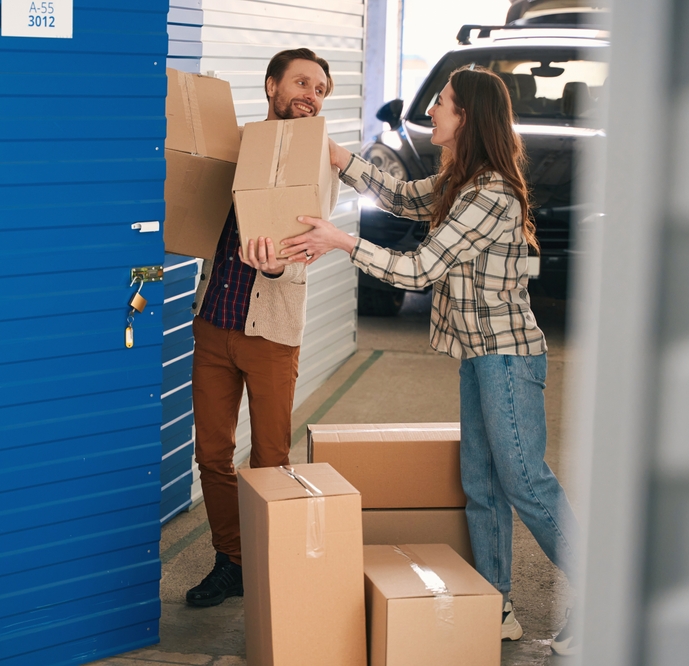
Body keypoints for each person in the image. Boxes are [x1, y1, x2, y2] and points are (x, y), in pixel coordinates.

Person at [280, 66, 580, 656]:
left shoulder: (488, 193)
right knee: (482, 487)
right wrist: (331, 152)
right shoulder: (457, 180)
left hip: (508, 357)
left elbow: (419, 271)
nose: (433, 112)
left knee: (525, 483)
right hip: (477, 355)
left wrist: (340, 241)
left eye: (441, 103)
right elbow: (394, 195)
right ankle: (496, 608)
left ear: (466, 116)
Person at [185, 48, 341, 607]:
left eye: (321, 89)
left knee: (271, 459)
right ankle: (232, 561)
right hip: (213, 323)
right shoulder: (233, 150)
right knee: (212, 455)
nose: (311, 94)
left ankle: (272, 566)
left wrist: (276, 262)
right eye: (302, 82)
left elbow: (309, 243)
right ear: (272, 84)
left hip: (271, 334)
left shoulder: (321, 163)